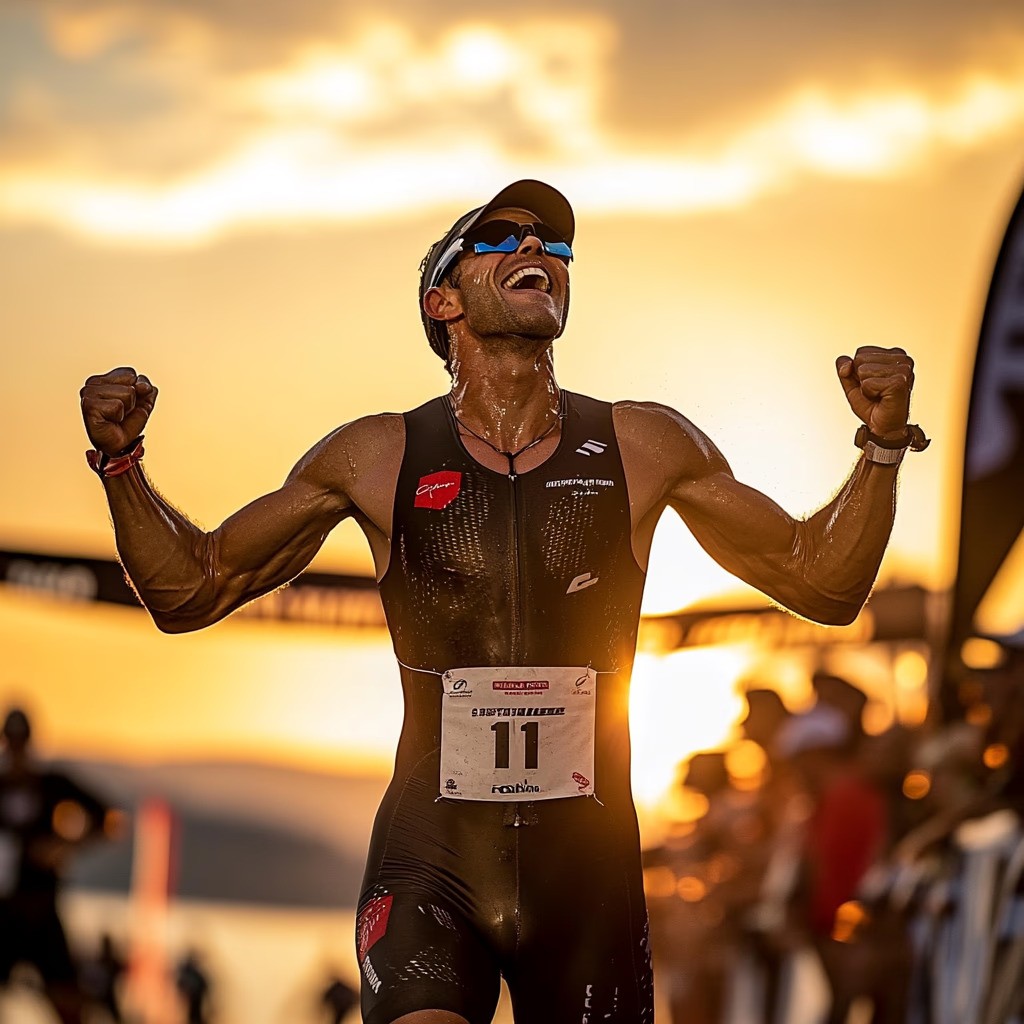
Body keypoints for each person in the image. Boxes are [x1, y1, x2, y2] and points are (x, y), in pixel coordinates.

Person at [79, 179, 926, 1024]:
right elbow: (193, 589)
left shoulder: (644, 443)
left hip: (585, 884)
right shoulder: (377, 455)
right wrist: (123, 466)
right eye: (504, 239)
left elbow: (821, 582)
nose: (538, 252)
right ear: (442, 300)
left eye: (554, 247)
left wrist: (882, 447)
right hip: (432, 862)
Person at [0, 707, 114, 1024]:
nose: (16, 748)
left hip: (42, 913)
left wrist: (66, 845)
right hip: (4, 913)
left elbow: (111, 819)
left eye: (21, 740)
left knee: (70, 1005)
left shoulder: (51, 785)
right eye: (11, 740)